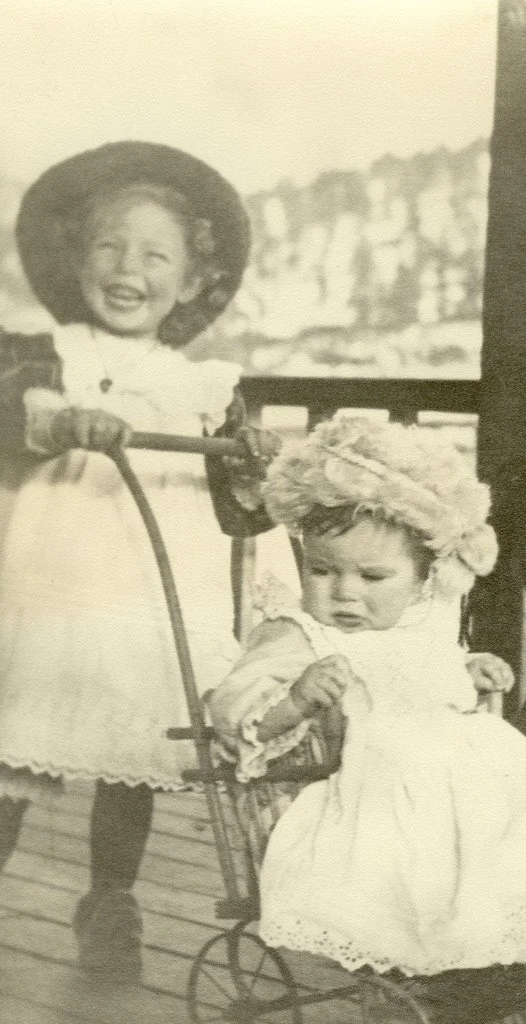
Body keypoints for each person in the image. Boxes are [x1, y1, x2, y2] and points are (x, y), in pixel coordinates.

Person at [207, 417, 526, 990]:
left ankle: (522, 931)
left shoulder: (422, 627)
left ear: (422, 579)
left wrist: (464, 673)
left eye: (373, 576)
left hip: (462, 773)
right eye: (321, 570)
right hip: (372, 789)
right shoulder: (301, 635)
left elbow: (423, 683)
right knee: (432, 841)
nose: (344, 592)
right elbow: (232, 717)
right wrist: (296, 702)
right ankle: (459, 953)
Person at [0, 141, 278, 979]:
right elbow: (14, 413)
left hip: (154, 600)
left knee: (130, 762)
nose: (129, 269)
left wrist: (248, 462)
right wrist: (58, 422)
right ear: (76, 259)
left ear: (192, 282)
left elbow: (239, 513)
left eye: (156, 255)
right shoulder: (47, 355)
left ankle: (110, 897)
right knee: (14, 750)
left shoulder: (207, 385)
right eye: (109, 248)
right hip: (52, 592)